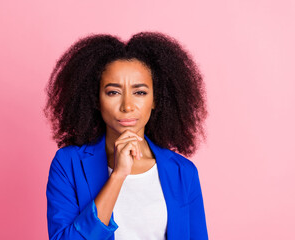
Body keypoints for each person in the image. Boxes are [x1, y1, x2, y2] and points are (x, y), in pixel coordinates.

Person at [43, 31, 209, 240]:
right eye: (113, 92)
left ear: (156, 99)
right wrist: (118, 175)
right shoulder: (69, 164)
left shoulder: (182, 172)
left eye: (140, 92)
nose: (127, 106)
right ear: (96, 99)